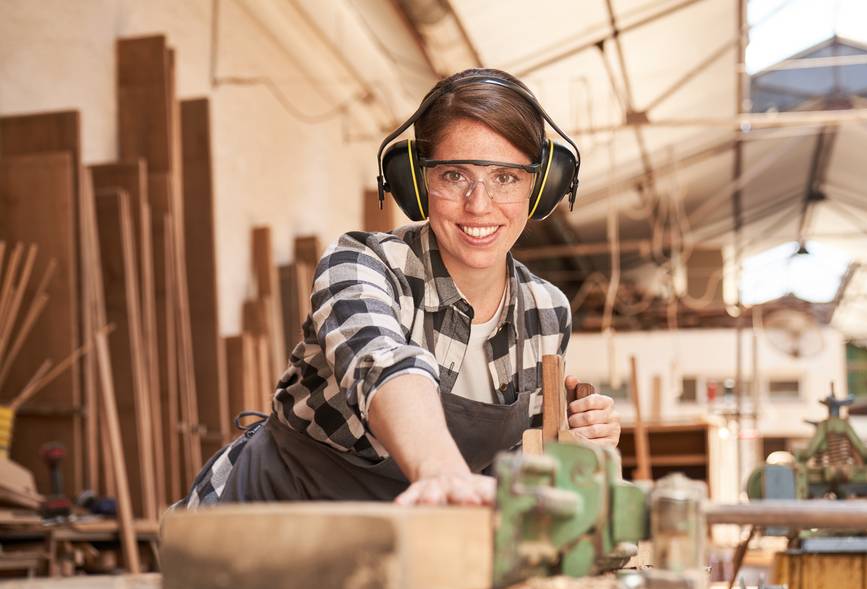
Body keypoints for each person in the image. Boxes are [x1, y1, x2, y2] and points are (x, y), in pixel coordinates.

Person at [181, 68, 621, 508]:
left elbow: (511, 469)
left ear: (541, 186)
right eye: (454, 175)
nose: (479, 204)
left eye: (506, 177)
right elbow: (386, 368)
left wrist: (578, 441)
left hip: (396, 539)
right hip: (267, 517)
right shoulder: (360, 265)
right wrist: (443, 474)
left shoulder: (546, 311)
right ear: (415, 181)